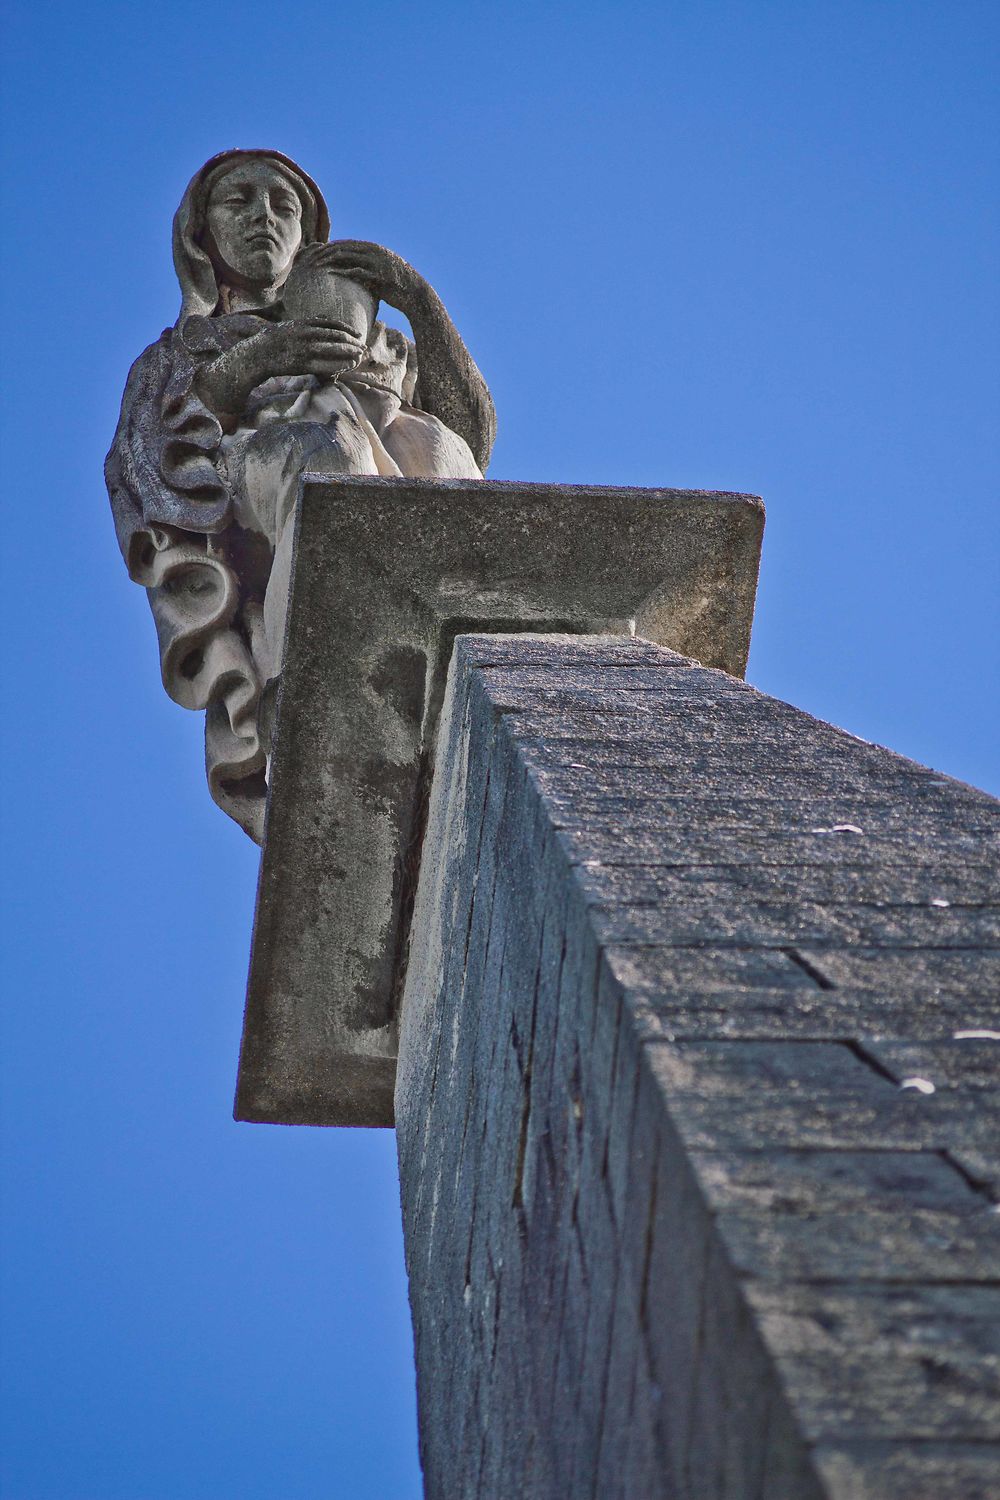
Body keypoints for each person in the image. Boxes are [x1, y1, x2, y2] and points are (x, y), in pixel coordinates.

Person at [106, 149, 495, 840]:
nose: (263, 217)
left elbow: (475, 438)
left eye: (284, 206)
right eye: (240, 202)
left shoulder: (377, 340)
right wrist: (265, 359)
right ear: (202, 235)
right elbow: (148, 455)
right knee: (325, 454)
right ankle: (316, 678)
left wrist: (415, 297)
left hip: (387, 451)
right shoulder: (176, 353)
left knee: (435, 449)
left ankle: (475, 623)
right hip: (259, 461)